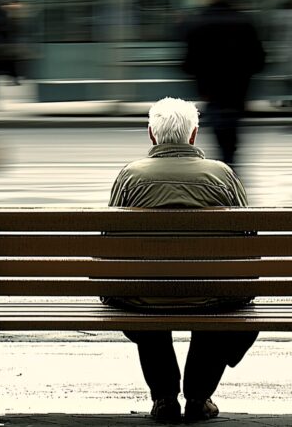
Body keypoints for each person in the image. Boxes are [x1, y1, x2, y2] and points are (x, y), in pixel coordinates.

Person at [105, 97, 258, 424]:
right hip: (210, 294)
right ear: (193, 135)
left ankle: (163, 398)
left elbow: (110, 244)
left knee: (144, 293)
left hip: (147, 295)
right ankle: (199, 396)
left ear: (151, 134)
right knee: (219, 297)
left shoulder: (130, 176)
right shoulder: (222, 174)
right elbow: (248, 243)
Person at [182, 0, 266, 170]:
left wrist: (200, 83)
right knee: (233, 135)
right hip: (238, 89)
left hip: (211, 89)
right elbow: (259, 60)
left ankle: (223, 168)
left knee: (219, 131)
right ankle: (231, 165)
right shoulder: (245, 22)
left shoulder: (198, 22)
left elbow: (188, 62)